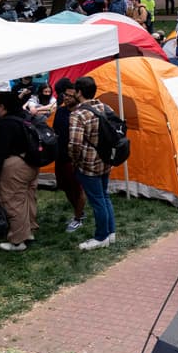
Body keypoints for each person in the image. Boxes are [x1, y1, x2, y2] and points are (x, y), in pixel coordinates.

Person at [0, 91, 40, 252]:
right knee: (28, 197)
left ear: (2, 106)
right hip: (31, 164)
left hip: (14, 168)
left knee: (14, 202)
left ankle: (18, 241)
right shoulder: (25, 118)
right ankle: (29, 230)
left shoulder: (4, 125)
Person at [69, 76, 118, 250]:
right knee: (104, 196)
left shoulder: (78, 114)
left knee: (97, 200)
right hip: (105, 159)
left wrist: (75, 161)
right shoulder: (105, 107)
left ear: (79, 92)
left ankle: (101, 236)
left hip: (88, 164)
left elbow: (75, 143)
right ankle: (111, 233)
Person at [51, 78, 86, 232]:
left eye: (70, 96)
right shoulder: (60, 111)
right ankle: (79, 212)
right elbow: (55, 131)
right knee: (65, 187)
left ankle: (78, 218)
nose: (66, 97)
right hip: (61, 156)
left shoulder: (81, 114)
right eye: (65, 95)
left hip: (75, 158)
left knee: (78, 189)